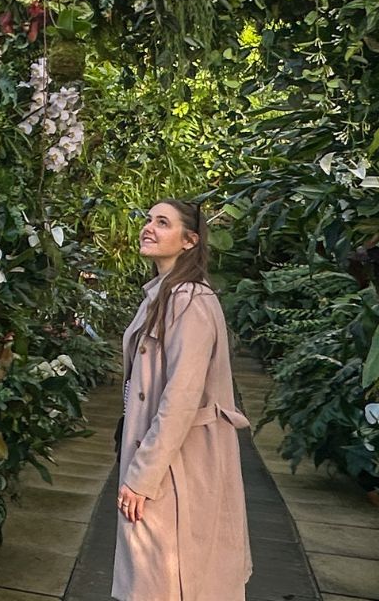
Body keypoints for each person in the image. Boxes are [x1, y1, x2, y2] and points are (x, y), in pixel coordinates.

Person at [113, 199, 251, 601]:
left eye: (162, 222)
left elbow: (181, 398)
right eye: (147, 220)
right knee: (155, 577)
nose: (148, 228)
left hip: (179, 465)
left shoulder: (190, 301)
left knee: (170, 578)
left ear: (189, 240)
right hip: (161, 457)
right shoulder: (162, 295)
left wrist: (142, 477)